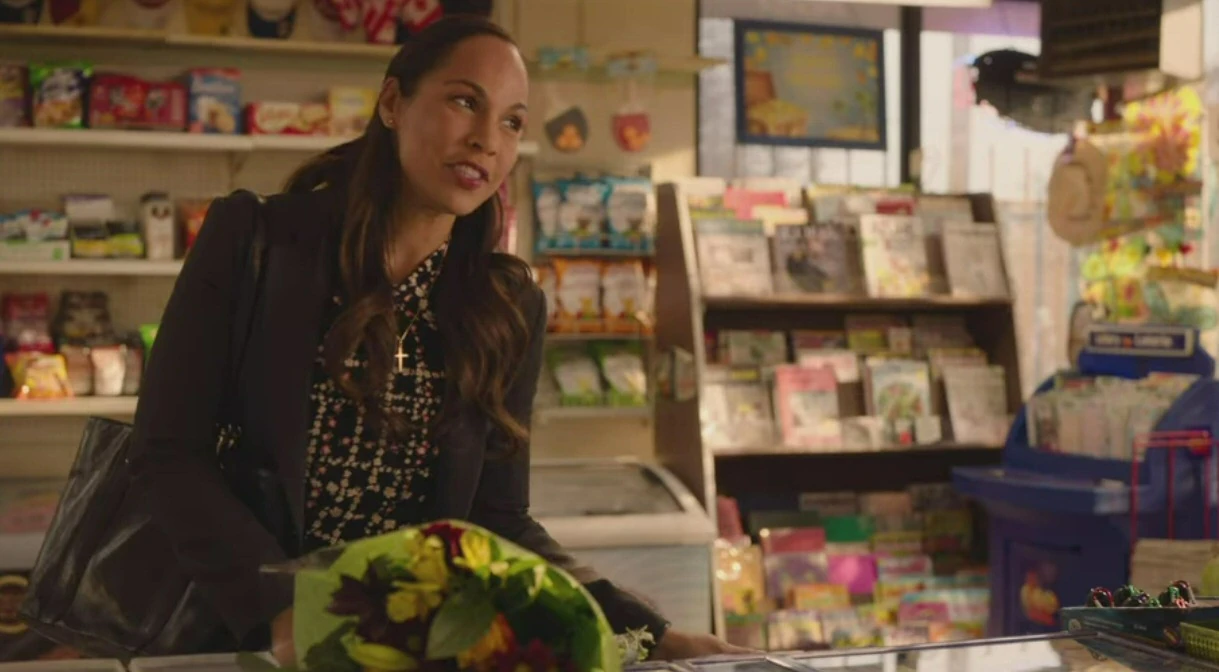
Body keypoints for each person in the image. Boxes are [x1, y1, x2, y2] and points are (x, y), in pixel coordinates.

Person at [128, 14, 744, 664]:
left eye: (512, 122)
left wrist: (651, 634)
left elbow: (497, 521)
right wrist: (283, 612)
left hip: (401, 649)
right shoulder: (259, 243)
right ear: (393, 103)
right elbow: (168, 451)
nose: (486, 141)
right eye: (464, 102)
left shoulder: (506, 307)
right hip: (236, 639)